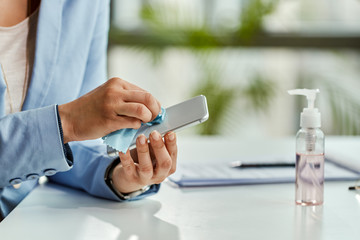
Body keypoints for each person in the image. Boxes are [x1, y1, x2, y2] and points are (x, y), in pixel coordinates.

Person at [0, 0, 177, 220]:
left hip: (29, 224)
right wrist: (68, 122)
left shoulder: (87, 4)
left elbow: (72, 145)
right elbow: (68, 128)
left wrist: (117, 172)